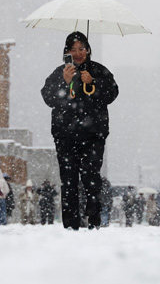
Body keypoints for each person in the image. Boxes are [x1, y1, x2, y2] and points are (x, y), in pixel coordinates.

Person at [41, 31, 119, 230]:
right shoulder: (60, 72)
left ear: (88, 50)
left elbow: (112, 93)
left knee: (92, 178)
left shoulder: (98, 71)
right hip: (65, 136)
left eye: (81, 49)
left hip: (93, 136)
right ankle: (71, 224)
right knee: (69, 181)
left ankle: (94, 221)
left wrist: (92, 82)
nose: (78, 53)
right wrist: (64, 83)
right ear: (66, 52)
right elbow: (48, 98)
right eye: (73, 50)